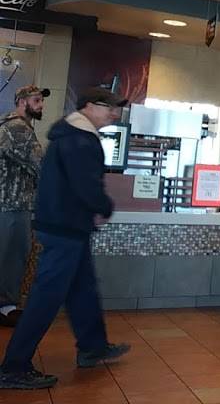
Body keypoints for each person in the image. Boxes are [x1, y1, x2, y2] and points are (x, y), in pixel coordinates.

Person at [0, 88, 131, 390]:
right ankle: (14, 366)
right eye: (109, 107)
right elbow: (86, 184)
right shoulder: (80, 139)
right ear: (89, 106)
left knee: (83, 289)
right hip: (65, 228)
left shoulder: (70, 134)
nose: (114, 114)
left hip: (65, 225)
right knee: (45, 298)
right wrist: (104, 205)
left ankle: (93, 346)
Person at [0, 86, 48, 328]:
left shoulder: (7, 124)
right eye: (36, 100)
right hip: (13, 204)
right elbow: (41, 166)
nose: (41, 105)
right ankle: (6, 308)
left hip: (8, 203)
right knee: (13, 256)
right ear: (21, 101)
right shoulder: (19, 129)